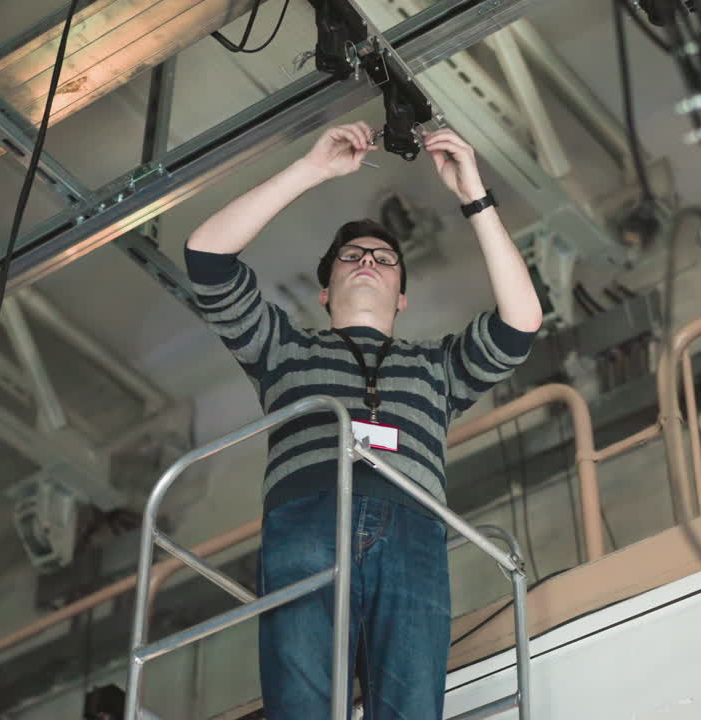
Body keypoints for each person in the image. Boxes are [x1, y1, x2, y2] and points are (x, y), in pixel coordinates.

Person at [184, 122, 543, 719]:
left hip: (414, 530)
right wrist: (312, 169)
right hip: (307, 521)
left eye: (384, 259)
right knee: (300, 707)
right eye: (351, 257)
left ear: (402, 296)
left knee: (410, 711)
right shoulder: (285, 349)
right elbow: (206, 256)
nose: (368, 262)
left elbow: (519, 323)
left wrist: (473, 197)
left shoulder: (436, 367)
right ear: (325, 291)